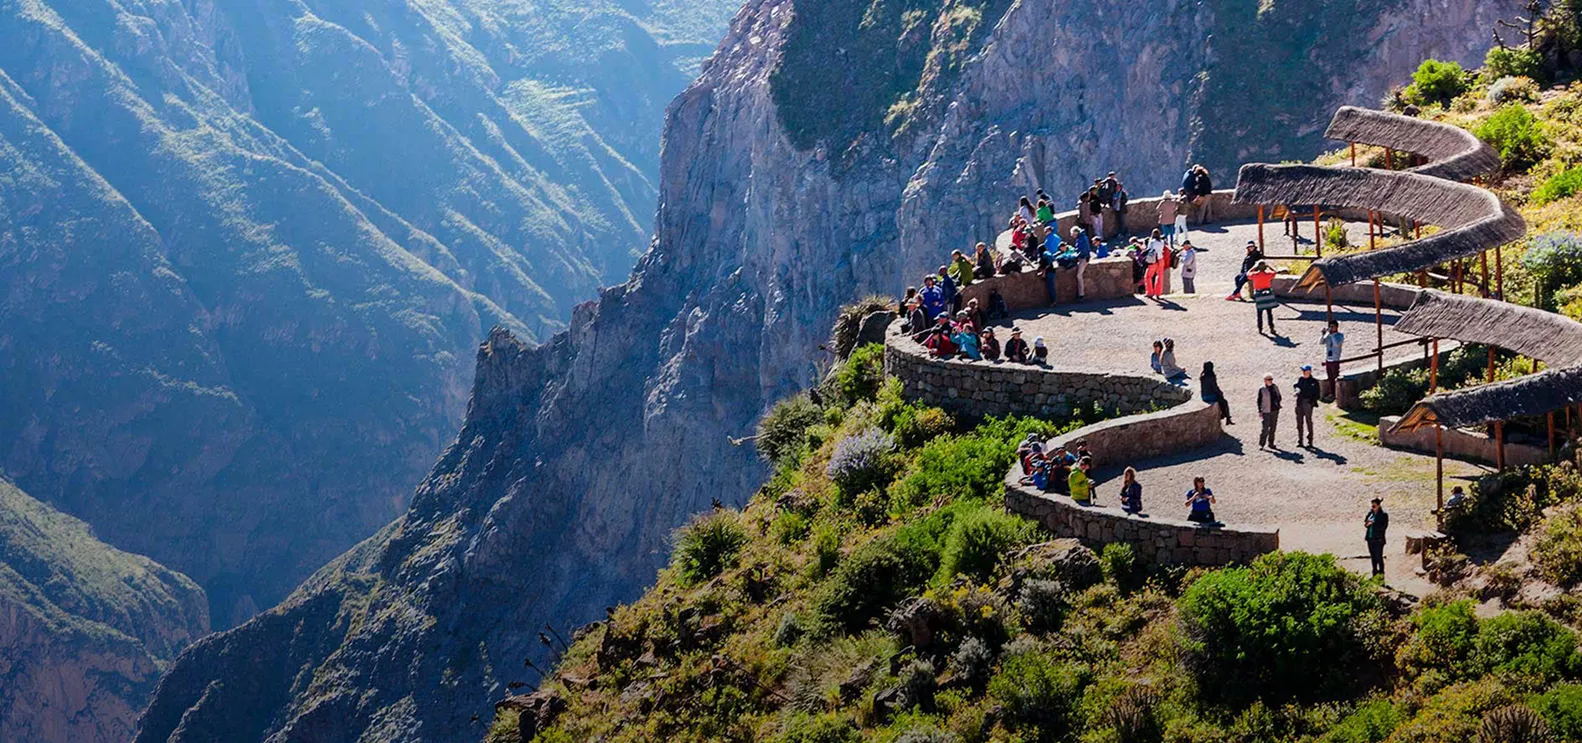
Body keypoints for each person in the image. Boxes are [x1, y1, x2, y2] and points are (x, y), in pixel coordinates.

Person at [1294, 364, 1321, 448]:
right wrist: (1296, 391)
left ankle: (1310, 441)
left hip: (1308, 403)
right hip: (1299, 402)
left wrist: (1311, 402)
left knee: (1308, 421)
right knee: (1299, 422)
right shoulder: (1300, 379)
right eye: (1303, 371)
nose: (1303, 372)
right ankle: (1300, 441)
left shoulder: (1314, 381)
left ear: (1309, 372)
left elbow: (1317, 394)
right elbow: (1296, 386)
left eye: (1305, 371)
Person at [1248, 261, 1279, 335]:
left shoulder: (1254, 275)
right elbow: (1275, 272)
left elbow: (1248, 273)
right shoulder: (1268, 274)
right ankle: (1271, 328)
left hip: (1259, 294)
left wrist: (1254, 267)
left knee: (1259, 313)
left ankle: (1260, 328)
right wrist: (1269, 266)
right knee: (1269, 313)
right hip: (1267, 293)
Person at [1257, 373, 1283, 449]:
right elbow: (1259, 401)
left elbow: (1279, 396)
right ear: (1264, 380)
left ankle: (1271, 443)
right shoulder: (1262, 389)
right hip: (1266, 411)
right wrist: (1260, 411)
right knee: (1265, 428)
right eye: (1268, 379)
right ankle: (1262, 444)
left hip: (1275, 410)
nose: (1270, 381)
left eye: (1271, 379)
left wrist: (1277, 403)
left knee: (1273, 428)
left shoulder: (1275, 387)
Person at [1365, 498, 1390, 578]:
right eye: (1372, 506)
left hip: (1378, 539)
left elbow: (1383, 527)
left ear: (1378, 506)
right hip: (1370, 538)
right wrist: (1368, 524)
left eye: (1374, 506)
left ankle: (1381, 574)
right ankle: (1374, 573)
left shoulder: (1383, 515)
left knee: (1379, 557)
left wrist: (1374, 523)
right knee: (1373, 557)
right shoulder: (1370, 513)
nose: (1373, 507)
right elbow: (1365, 523)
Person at [1322, 320, 1345, 399]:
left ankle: (1337, 394)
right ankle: (1332, 393)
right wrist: (1323, 335)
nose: (1331, 328)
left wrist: (1332, 335)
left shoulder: (1340, 335)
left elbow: (1336, 344)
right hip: (1328, 359)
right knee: (1330, 378)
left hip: (1335, 359)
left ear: (1336, 327)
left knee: (1335, 377)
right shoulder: (1328, 336)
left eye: (1333, 327)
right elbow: (1321, 342)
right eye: (1330, 327)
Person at [1143, 230, 1166, 298]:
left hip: (1153, 260)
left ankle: (1150, 292)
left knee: (1148, 276)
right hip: (1161, 259)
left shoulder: (1152, 242)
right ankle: (1158, 293)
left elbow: (1149, 250)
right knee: (1160, 277)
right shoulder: (1162, 241)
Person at [1072, 226, 1092, 300]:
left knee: (1079, 275)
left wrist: (1076, 256)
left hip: (1083, 258)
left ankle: (1081, 294)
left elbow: (1083, 250)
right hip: (1084, 257)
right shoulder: (1082, 237)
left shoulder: (1081, 239)